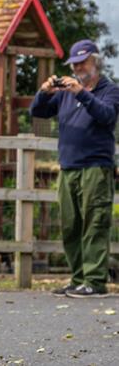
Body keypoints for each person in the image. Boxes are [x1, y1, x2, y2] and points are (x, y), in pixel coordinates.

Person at [30, 39, 119, 298]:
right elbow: (37, 111)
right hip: (68, 167)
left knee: (94, 224)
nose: (78, 68)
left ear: (95, 62)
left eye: (82, 62)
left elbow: (107, 116)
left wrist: (81, 92)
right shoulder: (64, 94)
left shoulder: (109, 90)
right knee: (70, 226)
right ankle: (78, 278)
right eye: (74, 64)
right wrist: (45, 91)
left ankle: (95, 281)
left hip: (95, 168)